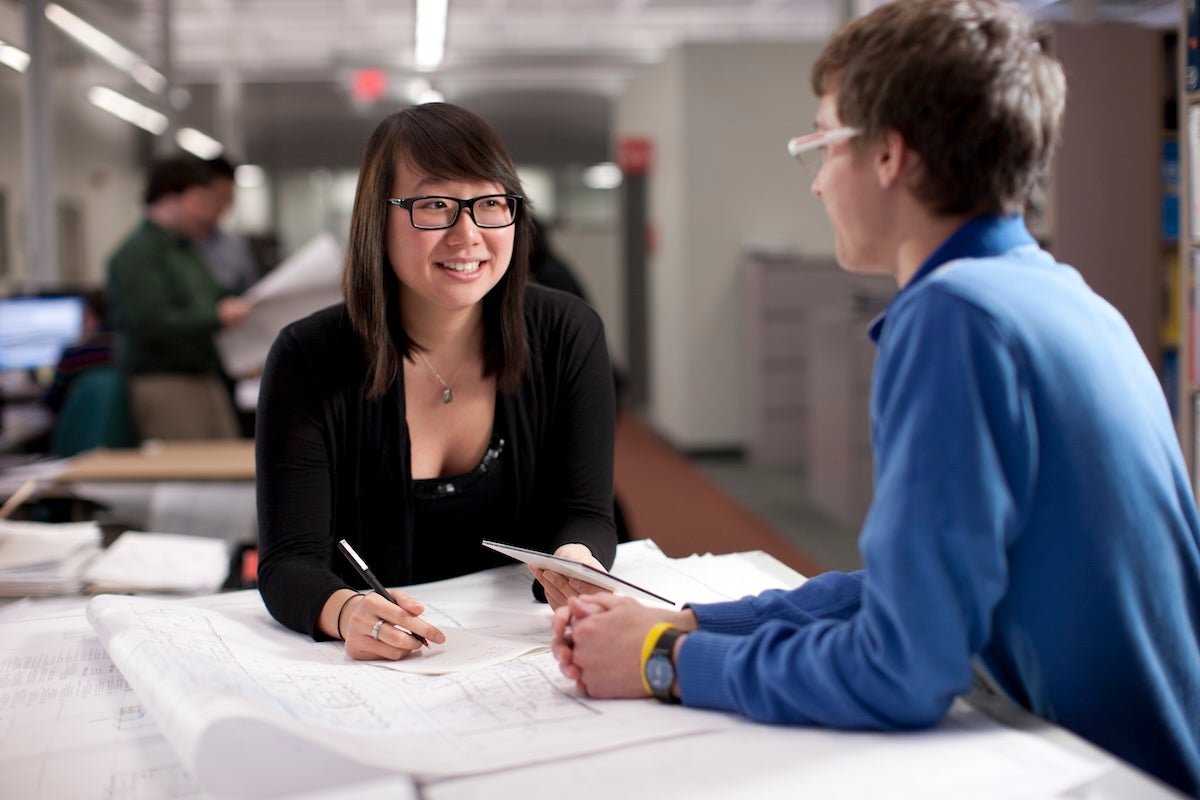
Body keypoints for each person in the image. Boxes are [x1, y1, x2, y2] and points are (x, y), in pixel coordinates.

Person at [550, 0, 1200, 794]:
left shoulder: (953, 317)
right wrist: (692, 622)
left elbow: (901, 669)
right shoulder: (1058, 295)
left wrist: (663, 663)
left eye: (822, 145)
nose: (819, 184)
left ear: (890, 154)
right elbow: (909, 593)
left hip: (1102, 776)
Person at [256, 102, 618, 662]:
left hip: (520, 655)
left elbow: (585, 510)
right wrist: (345, 610)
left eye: (491, 203)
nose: (467, 234)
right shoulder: (309, 357)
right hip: (377, 670)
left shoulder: (567, 334)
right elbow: (289, 562)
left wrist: (574, 559)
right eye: (434, 206)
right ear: (378, 217)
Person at [107, 155, 253, 440]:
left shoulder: (186, 250)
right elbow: (151, 322)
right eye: (197, 201)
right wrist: (218, 316)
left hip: (205, 376)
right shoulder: (137, 255)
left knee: (226, 466)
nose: (205, 212)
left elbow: (215, 296)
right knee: (190, 473)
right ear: (170, 199)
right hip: (166, 381)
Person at [195, 156, 260, 295]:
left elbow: (249, 292)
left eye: (228, 198)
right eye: (217, 197)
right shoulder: (177, 245)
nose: (222, 206)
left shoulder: (235, 245)